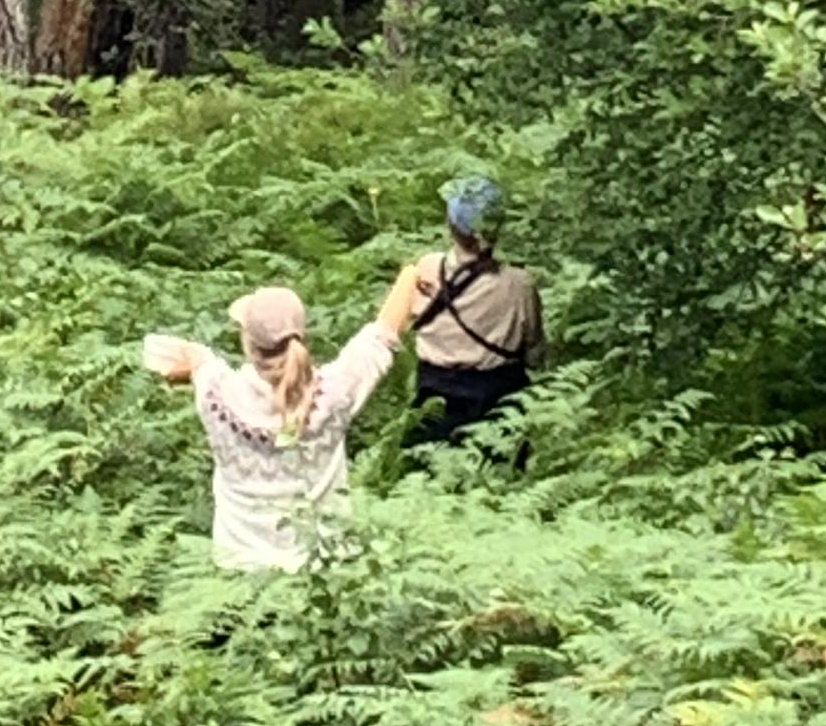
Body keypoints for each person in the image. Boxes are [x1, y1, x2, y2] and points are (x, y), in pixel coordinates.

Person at [144, 256, 434, 570]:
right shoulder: (335, 393)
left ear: (247, 342)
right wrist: (412, 272)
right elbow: (383, 334)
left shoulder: (215, 395)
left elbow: (186, 359)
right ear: (300, 336)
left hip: (237, 576)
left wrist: (188, 363)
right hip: (325, 573)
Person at [405, 173, 545, 452]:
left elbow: (410, 320)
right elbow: (535, 355)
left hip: (434, 397)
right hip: (499, 401)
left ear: (451, 224)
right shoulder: (519, 284)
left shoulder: (427, 268)